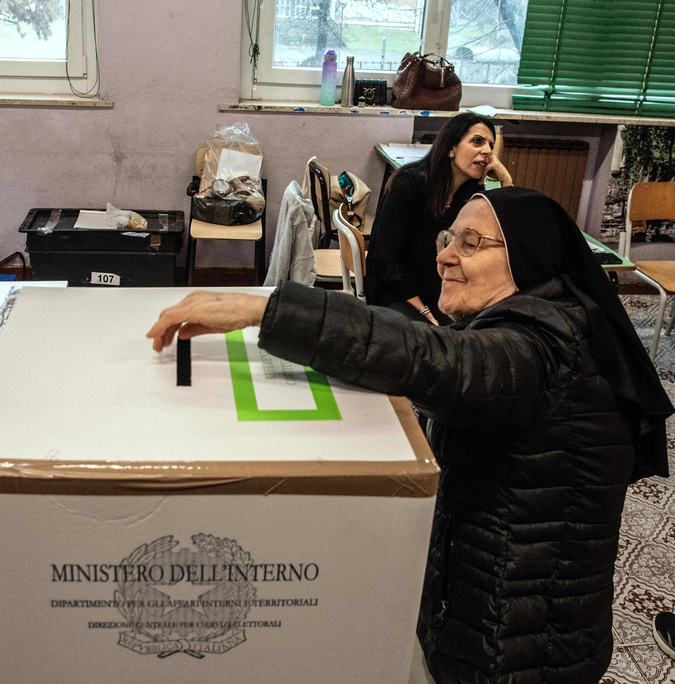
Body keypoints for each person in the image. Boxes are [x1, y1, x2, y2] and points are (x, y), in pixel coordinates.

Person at [147, 187, 673, 683]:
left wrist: (264, 309)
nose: (445, 256)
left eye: (472, 244)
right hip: (488, 613)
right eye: (449, 239)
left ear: (529, 259)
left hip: (518, 650)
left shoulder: (547, 348)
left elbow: (438, 363)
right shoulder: (537, 321)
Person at [365, 112, 512, 325]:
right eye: (477, 141)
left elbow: (508, 233)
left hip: (441, 286)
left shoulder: (469, 193)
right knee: (439, 338)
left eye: (491, 144)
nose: (488, 151)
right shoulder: (409, 183)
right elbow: (388, 264)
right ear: (451, 147)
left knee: (488, 327)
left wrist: (506, 180)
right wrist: (425, 311)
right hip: (396, 290)